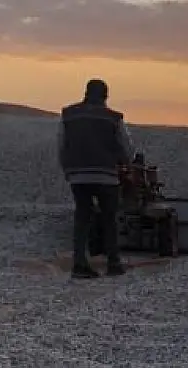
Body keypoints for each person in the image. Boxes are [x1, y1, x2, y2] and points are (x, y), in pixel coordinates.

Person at [57, 78, 134, 278]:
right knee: (109, 218)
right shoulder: (113, 118)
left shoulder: (68, 114)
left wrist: (67, 168)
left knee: (82, 217)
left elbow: (61, 144)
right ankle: (113, 263)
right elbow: (125, 146)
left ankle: (80, 265)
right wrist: (126, 163)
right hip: (106, 175)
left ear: (85, 92)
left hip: (77, 175)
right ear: (105, 96)